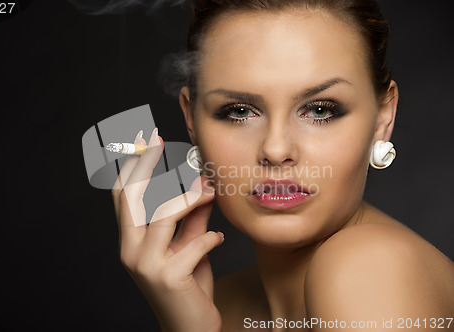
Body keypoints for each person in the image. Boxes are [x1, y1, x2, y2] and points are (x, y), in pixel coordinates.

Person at [111, 0, 454, 331]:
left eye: (320, 109)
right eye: (240, 111)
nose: (275, 150)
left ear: (383, 118)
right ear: (192, 121)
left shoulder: (369, 268)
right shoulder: (221, 304)